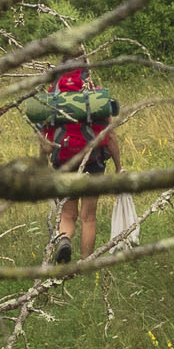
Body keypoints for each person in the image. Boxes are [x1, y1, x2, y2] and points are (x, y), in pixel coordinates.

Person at [37, 61, 119, 264]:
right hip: (93, 161)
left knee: (67, 215)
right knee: (88, 217)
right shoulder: (95, 94)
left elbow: (44, 139)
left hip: (63, 162)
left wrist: (42, 163)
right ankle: (85, 263)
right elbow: (111, 137)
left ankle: (64, 240)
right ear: (86, 70)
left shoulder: (52, 95)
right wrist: (119, 166)